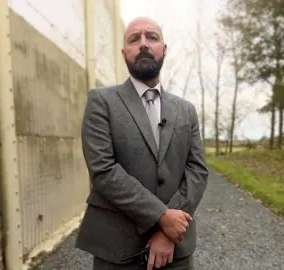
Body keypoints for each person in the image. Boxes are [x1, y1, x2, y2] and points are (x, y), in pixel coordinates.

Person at [75, 17, 209, 270]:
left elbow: (197, 171)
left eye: (152, 37)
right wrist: (162, 217)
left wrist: (169, 231)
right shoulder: (101, 101)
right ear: (124, 52)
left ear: (164, 49)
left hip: (175, 251)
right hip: (116, 248)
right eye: (134, 39)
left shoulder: (186, 110)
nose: (143, 44)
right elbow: (103, 170)